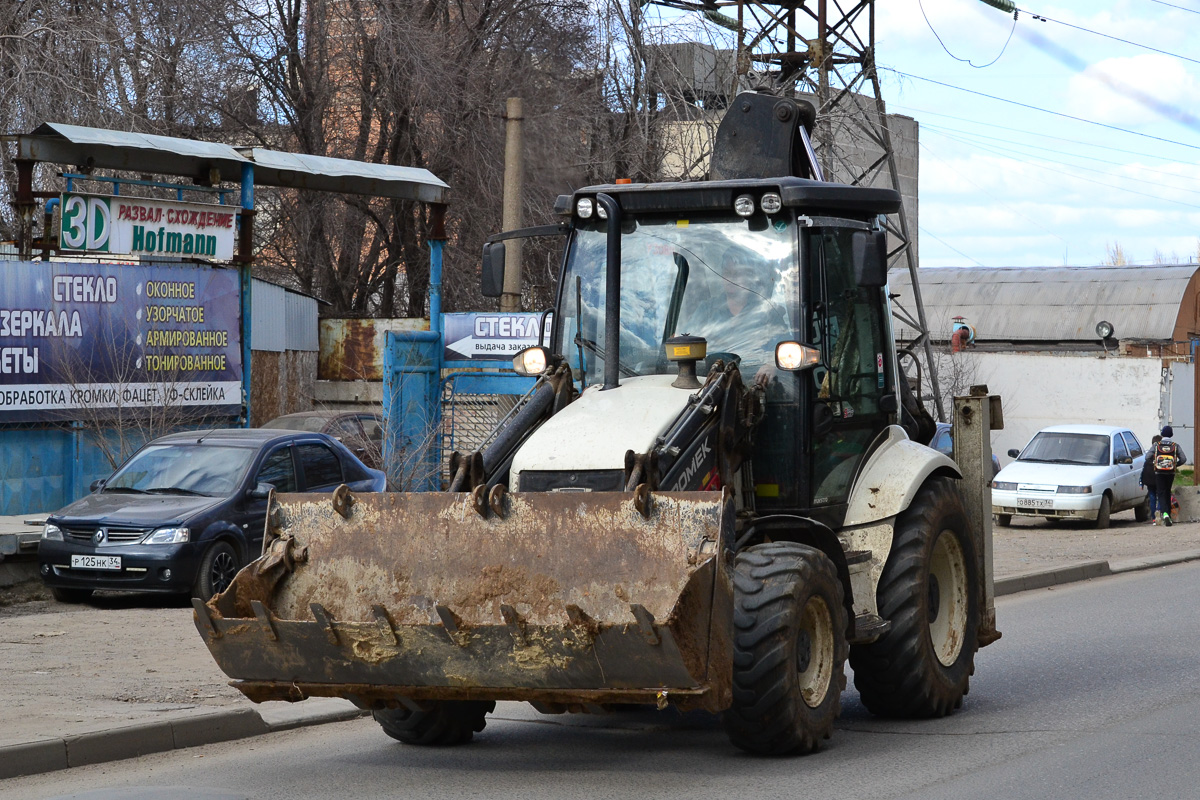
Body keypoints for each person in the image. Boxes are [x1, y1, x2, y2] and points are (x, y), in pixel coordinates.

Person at [1151, 426, 1187, 527]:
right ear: (1171, 434)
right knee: (1167, 491)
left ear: (1162, 434)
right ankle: (1169, 516)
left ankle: (1165, 513)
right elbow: (1184, 459)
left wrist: (1154, 463)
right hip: (1170, 473)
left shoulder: (1156, 445)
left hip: (1159, 472)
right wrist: (1175, 465)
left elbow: (1147, 456)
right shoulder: (1175, 446)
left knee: (1161, 492)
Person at [1140, 434, 1161, 524]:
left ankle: (1153, 517)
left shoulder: (1149, 454)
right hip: (1160, 477)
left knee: (1152, 497)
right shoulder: (1162, 453)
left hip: (1149, 478)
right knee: (1160, 496)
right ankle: (1159, 511)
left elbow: (1144, 469)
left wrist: (1141, 482)